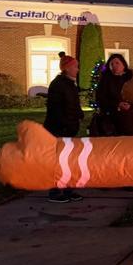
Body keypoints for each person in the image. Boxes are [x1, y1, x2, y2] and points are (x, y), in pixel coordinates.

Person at [44, 53, 84, 202]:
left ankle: (68, 190)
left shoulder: (70, 84)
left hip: (70, 127)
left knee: (70, 160)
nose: (78, 69)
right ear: (67, 68)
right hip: (59, 129)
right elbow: (56, 109)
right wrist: (65, 125)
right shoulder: (58, 85)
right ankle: (54, 192)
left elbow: (73, 104)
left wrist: (79, 115)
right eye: (75, 66)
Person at [94, 53, 133, 136]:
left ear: (123, 64)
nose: (114, 66)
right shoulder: (106, 80)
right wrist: (117, 104)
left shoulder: (130, 78)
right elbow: (100, 98)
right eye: (112, 64)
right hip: (113, 118)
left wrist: (131, 103)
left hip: (131, 116)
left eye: (117, 63)